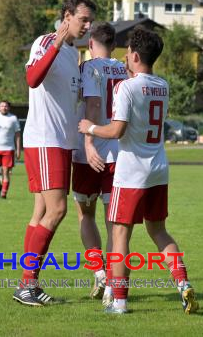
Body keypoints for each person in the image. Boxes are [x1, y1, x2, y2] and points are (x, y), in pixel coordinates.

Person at [78, 26, 199, 315]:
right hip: (159, 168)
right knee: (159, 231)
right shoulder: (164, 85)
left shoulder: (127, 87)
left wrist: (90, 128)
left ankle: (119, 300)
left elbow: (117, 130)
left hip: (131, 171)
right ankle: (183, 285)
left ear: (133, 55)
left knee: (120, 234)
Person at [12, 0, 96, 307]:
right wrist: (57, 44)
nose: (87, 25)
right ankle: (27, 284)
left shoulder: (73, 55)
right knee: (58, 210)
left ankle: (27, 286)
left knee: (41, 212)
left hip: (61, 142)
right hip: (46, 140)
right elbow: (33, 79)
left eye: (90, 21)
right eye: (82, 19)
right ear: (66, 17)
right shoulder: (47, 42)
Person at [71, 22, 127, 305]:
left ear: (91, 44)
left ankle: (99, 272)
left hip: (88, 153)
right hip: (119, 153)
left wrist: (89, 143)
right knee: (113, 224)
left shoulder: (89, 68)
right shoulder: (124, 68)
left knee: (85, 215)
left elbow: (92, 104)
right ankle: (110, 286)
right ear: (113, 45)